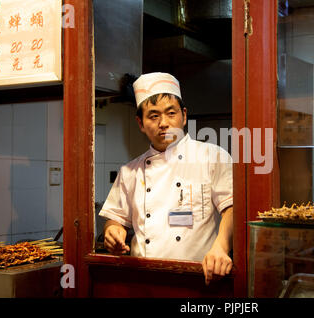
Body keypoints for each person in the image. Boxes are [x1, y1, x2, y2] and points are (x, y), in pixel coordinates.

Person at [99, 72, 233, 285]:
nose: (164, 123)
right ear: (140, 123)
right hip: (143, 281)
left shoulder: (213, 157)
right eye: (153, 116)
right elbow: (115, 219)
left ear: (184, 115)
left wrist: (221, 247)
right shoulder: (129, 171)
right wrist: (113, 231)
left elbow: (231, 209)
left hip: (199, 278)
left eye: (171, 113)